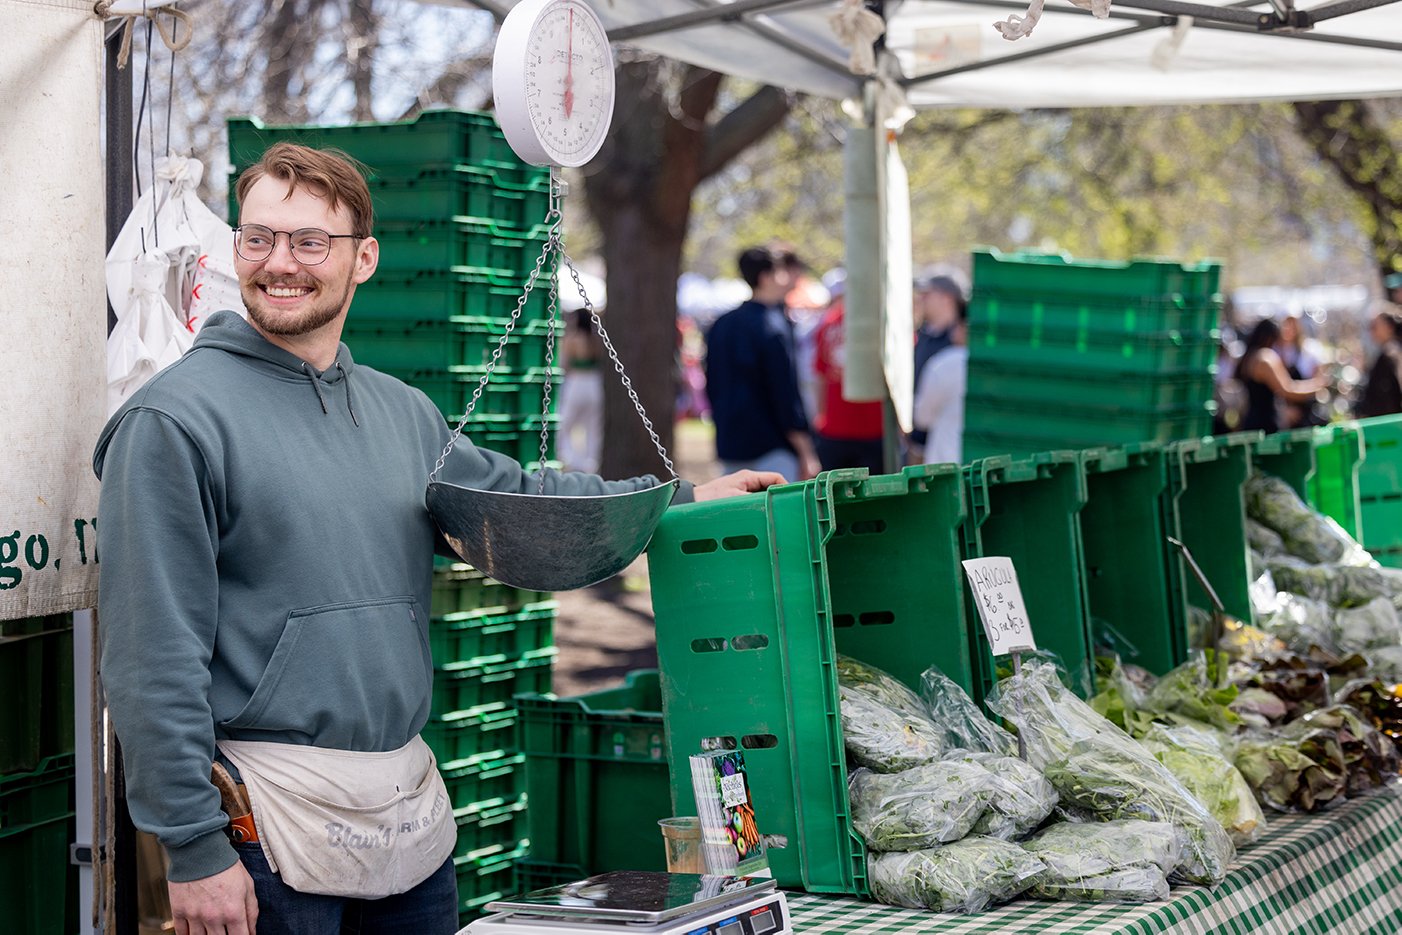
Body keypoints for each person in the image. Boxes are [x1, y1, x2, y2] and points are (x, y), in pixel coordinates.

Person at [92, 143, 782, 935]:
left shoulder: (401, 411)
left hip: (407, 822)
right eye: (258, 238)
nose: (279, 262)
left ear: (365, 259)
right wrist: (192, 847)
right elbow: (150, 657)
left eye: (310, 241)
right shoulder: (172, 421)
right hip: (262, 835)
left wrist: (682, 498)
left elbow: (524, 501)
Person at [704, 245, 821, 482]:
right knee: (778, 516)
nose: (788, 277)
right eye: (781, 271)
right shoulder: (773, 326)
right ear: (766, 277)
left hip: (731, 442)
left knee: (741, 517)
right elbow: (785, 392)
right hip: (772, 446)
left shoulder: (722, 324)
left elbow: (712, 383)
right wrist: (805, 450)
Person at [811, 271, 885, 473]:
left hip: (844, 427)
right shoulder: (882, 321)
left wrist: (820, 415)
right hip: (869, 428)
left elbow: (820, 376)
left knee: (834, 499)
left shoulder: (828, 323)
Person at [908, 271, 967, 460]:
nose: (921, 299)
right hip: (917, 442)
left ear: (946, 297)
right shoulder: (922, 335)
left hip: (949, 446)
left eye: (927, 294)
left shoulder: (960, 341)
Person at [1234, 317, 1328, 434]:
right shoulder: (1265, 358)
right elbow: (1288, 389)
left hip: (1252, 423)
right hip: (1266, 425)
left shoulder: (1249, 358)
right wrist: (1317, 386)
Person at [558, 307, 605, 473]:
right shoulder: (596, 339)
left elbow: (564, 363)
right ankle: (591, 462)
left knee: (564, 422)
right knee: (593, 426)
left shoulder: (572, 338)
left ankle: (570, 459)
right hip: (594, 382)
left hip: (577, 381)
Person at [1357, 308, 1402, 418]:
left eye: (1374, 326)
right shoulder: (1387, 352)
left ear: (1389, 327)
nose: (1371, 332)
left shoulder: (1392, 354)